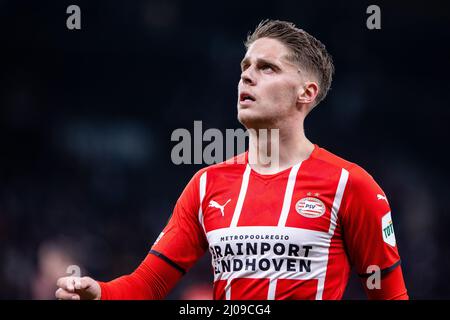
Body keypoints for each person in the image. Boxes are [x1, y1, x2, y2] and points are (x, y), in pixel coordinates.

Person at [55, 19, 408, 300]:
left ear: (307, 92)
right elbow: (148, 285)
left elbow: (391, 296)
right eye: (245, 65)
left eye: (267, 67)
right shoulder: (206, 185)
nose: (246, 75)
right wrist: (101, 293)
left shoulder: (352, 185)